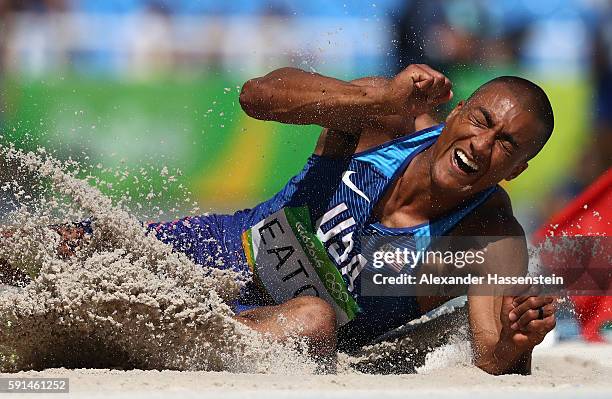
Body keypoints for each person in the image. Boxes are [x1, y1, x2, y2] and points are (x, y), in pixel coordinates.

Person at [2, 64, 557, 375]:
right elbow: (256, 96)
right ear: (457, 112)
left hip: (269, 328)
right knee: (47, 245)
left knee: (315, 319)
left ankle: (98, 341)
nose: (482, 145)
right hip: (217, 248)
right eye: (481, 121)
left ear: (519, 169)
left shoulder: (489, 238)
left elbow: (490, 356)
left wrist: (518, 342)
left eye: (507, 145)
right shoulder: (386, 119)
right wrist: (371, 101)